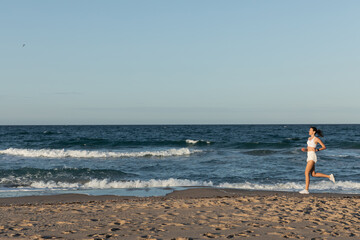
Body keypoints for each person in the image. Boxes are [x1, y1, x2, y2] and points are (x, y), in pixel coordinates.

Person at [299, 127, 335, 194]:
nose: (309, 131)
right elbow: (309, 148)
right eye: (309, 130)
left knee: (306, 172)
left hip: (312, 156)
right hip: (308, 155)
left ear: (314, 132)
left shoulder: (316, 139)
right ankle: (329, 176)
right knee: (313, 174)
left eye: (310, 130)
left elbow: (324, 147)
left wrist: (317, 150)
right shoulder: (309, 139)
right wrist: (305, 150)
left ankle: (306, 190)